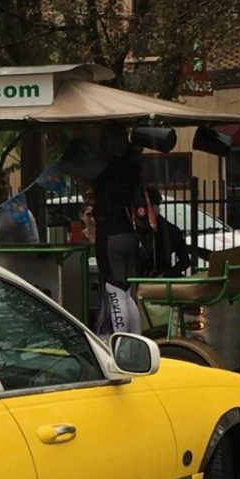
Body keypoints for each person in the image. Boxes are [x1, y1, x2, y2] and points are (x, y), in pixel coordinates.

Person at [89, 125, 145, 333]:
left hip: (109, 235)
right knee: (128, 290)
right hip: (129, 232)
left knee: (115, 289)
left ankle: (120, 339)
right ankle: (136, 337)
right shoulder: (132, 167)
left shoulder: (102, 169)